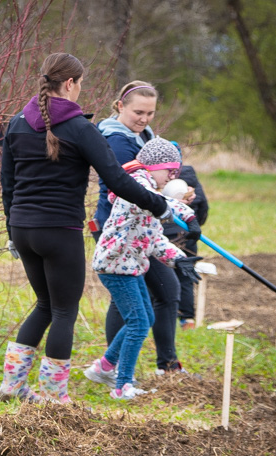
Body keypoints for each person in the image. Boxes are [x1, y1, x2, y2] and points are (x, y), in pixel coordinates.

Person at [0, 53, 170, 404]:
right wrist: (159, 204)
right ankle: (53, 397)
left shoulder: (16, 123)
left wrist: (10, 229)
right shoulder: (79, 128)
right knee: (63, 310)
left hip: (22, 229)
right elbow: (118, 180)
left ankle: (11, 386)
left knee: (45, 304)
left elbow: (7, 184)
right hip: (59, 230)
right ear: (72, 83)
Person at [87, 138, 202, 399]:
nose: (173, 177)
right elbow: (159, 203)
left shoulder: (148, 191)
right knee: (139, 322)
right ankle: (122, 386)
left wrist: (179, 258)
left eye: (177, 172)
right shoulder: (139, 185)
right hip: (116, 264)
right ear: (154, 166)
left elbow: (152, 237)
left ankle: (104, 367)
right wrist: (188, 216)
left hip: (131, 264)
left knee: (146, 317)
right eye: (170, 171)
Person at [91, 82, 191, 375]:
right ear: (120, 106)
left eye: (150, 112)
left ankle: (126, 364)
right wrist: (169, 204)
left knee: (155, 295)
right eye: (139, 111)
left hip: (141, 231)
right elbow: (134, 190)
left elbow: (158, 184)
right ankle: (120, 368)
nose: (145, 118)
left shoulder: (143, 136)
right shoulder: (117, 140)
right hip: (119, 232)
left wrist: (177, 197)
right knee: (155, 295)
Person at [164, 142, 210, 331]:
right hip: (188, 234)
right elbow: (204, 206)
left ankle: (167, 314)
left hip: (165, 234)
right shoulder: (190, 174)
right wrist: (195, 224)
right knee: (185, 276)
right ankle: (187, 319)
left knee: (163, 275)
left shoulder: (158, 178)